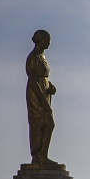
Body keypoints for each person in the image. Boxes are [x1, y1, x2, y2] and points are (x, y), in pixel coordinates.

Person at [25, 29, 58, 167]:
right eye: (46, 41)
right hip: (36, 95)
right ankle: (38, 157)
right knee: (40, 124)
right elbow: (33, 80)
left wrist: (50, 87)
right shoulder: (33, 57)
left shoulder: (42, 57)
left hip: (44, 92)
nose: (48, 43)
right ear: (39, 41)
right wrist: (43, 101)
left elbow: (44, 78)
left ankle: (43, 156)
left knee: (48, 124)